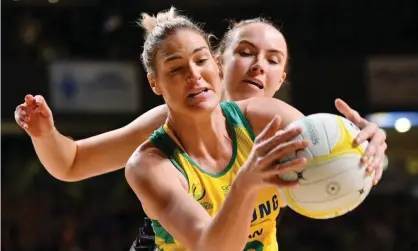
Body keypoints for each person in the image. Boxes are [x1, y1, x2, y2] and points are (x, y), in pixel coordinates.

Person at [14, 7, 387, 251]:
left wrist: (372, 146)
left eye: (272, 60)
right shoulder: (158, 142)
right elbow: (73, 162)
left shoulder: (269, 117)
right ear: (221, 60)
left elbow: (341, 154)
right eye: (246, 52)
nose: (258, 66)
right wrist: (46, 135)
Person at [125, 8, 308, 251]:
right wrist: (244, 185)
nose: (194, 75)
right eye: (176, 69)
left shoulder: (265, 115)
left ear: (216, 64)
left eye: (201, 60)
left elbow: (330, 146)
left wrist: (367, 138)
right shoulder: (149, 162)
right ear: (154, 82)